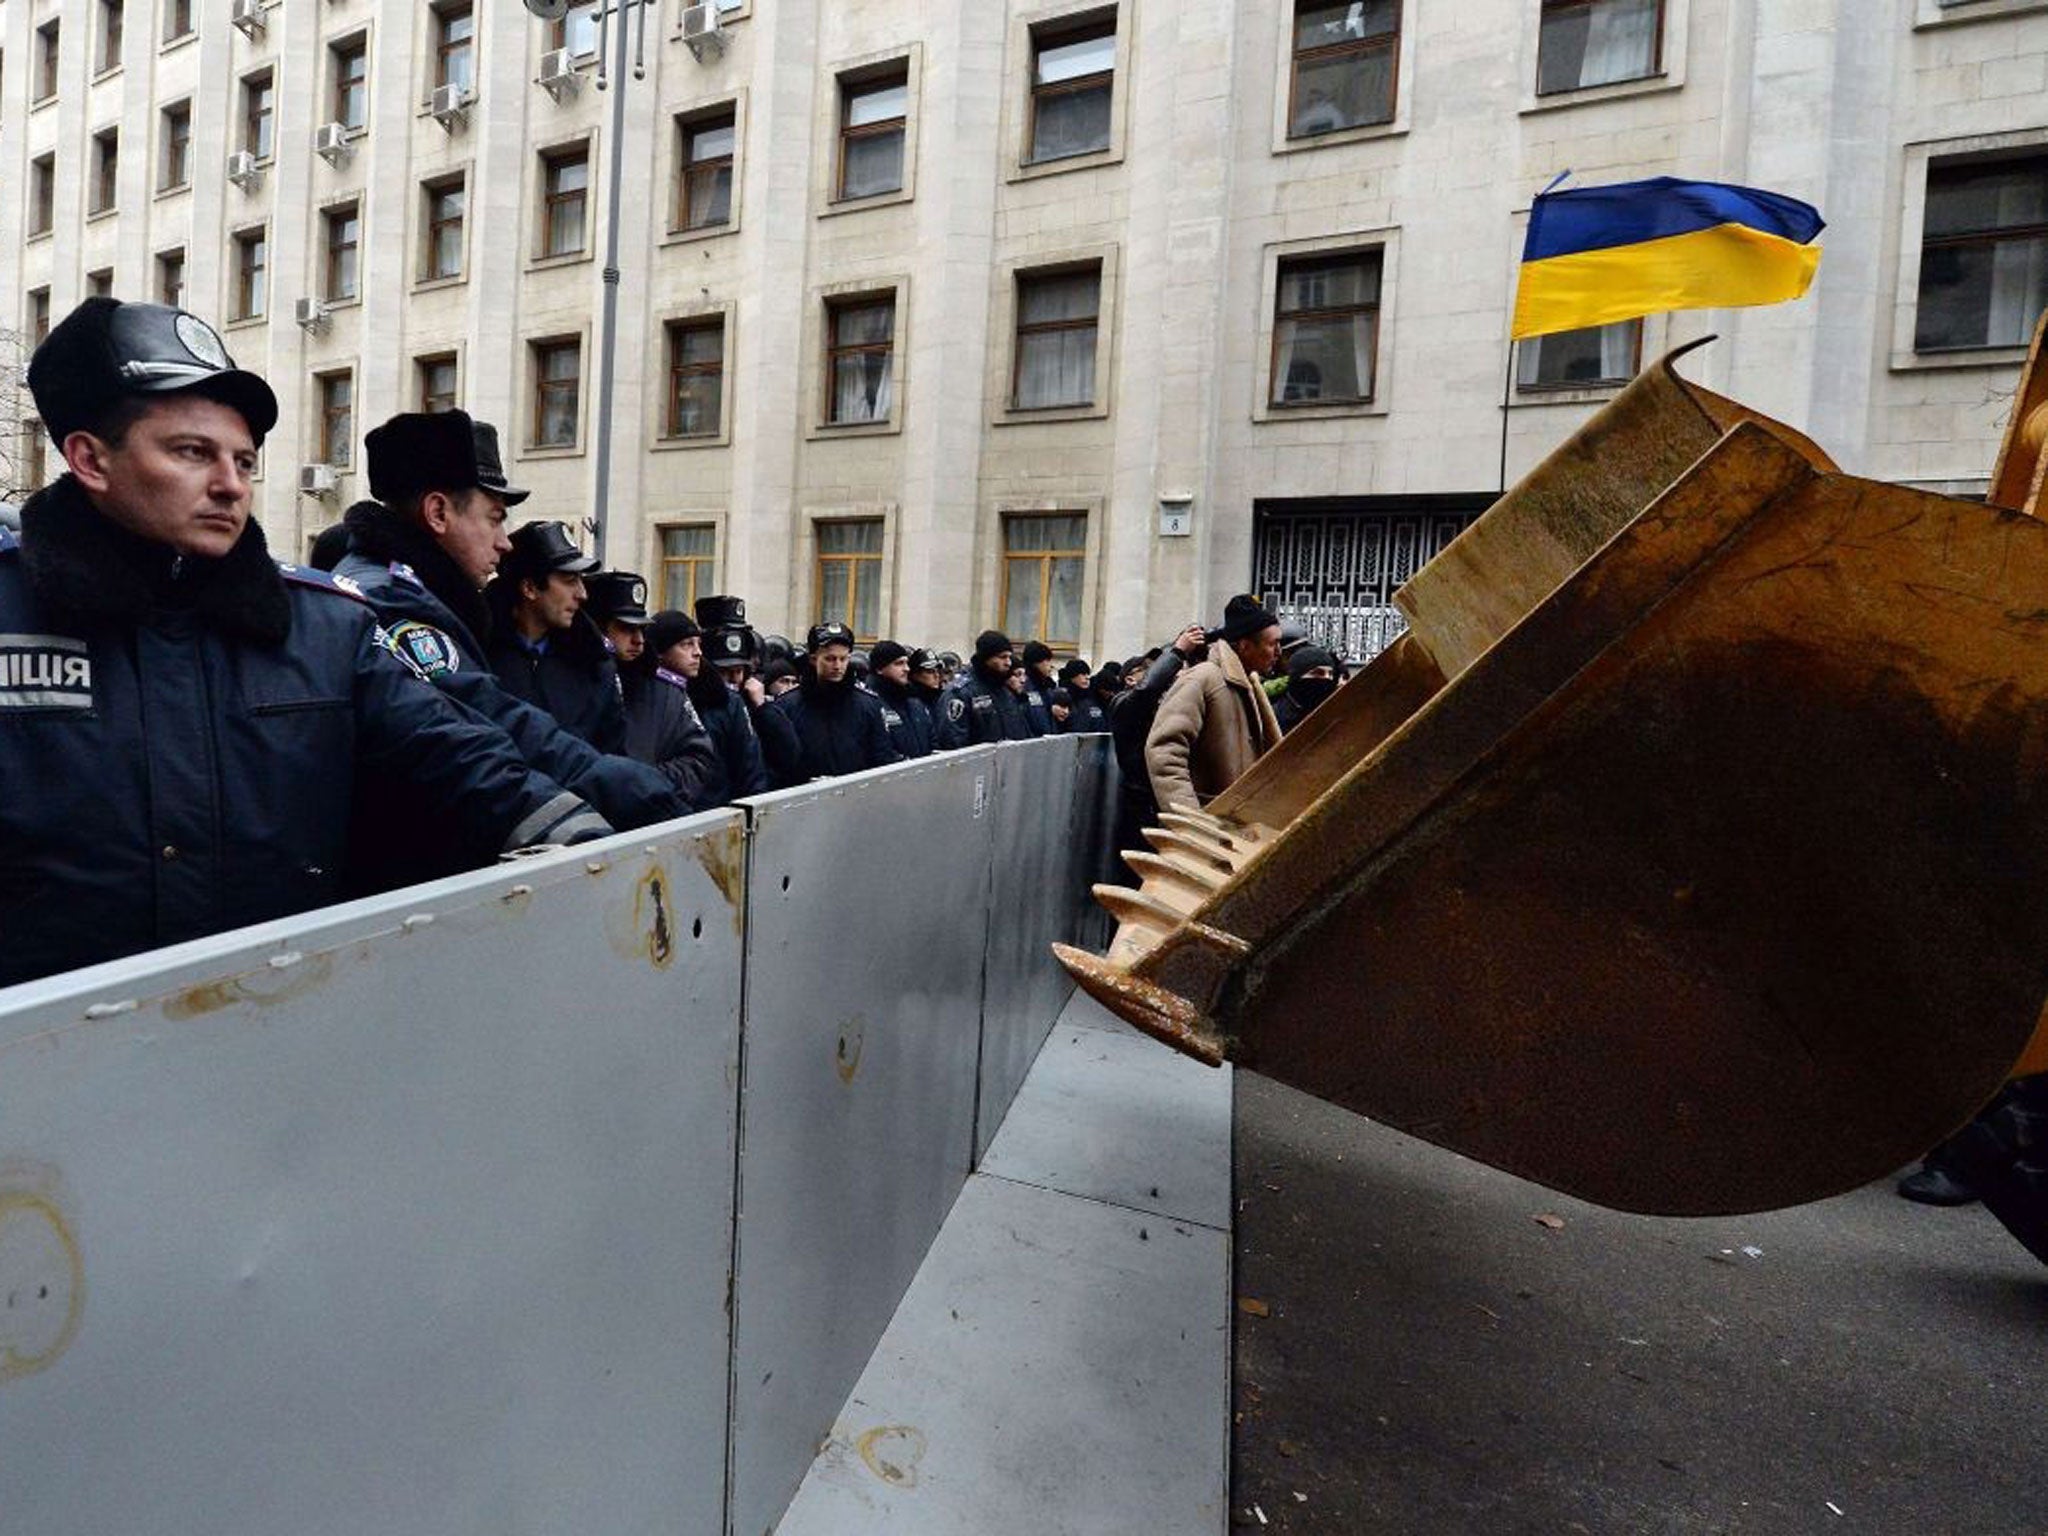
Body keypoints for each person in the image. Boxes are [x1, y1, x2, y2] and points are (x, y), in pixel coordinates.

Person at [0, 298, 611, 987]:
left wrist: (593, 852)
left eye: (245, 460)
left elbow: (461, 760)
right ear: (90, 458)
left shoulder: (322, 627)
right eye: (192, 452)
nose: (231, 485)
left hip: (279, 1037)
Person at [334, 410, 684, 890]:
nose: (503, 543)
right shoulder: (393, 603)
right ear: (438, 513)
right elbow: (485, 721)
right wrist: (615, 787)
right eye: (495, 519)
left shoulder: (404, 590)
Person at [484, 520, 625, 752]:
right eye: (570, 581)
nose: (582, 594)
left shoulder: (593, 663)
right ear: (529, 588)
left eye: (581, 580)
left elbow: (613, 752)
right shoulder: (475, 652)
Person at [588, 571, 718, 811]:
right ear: (599, 628)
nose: (638, 640)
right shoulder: (573, 684)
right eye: (626, 629)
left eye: (641, 630)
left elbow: (699, 758)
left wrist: (647, 784)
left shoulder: (665, 691)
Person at [1145, 596, 1284, 813]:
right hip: (1209, 827)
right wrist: (1189, 819)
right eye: (1272, 644)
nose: (1279, 652)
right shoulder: (1203, 679)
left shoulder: (1249, 684)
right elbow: (1165, 751)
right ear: (1246, 646)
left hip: (1239, 827)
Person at [1109, 624, 1208, 871]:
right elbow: (1147, 691)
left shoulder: (1167, 706)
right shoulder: (1123, 704)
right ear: (1130, 679)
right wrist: (1177, 653)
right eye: (1148, 669)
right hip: (1142, 811)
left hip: (1160, 807)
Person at [648, 607, 768, 806]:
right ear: (661, 652)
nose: (697, 652)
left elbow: (750, 769)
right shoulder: (643, 699)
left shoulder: (725, 701)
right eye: (686, 645)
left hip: (718, 819)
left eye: (698, 644)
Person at [767, 622, 903, 784]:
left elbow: (881, 757)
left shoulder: (868, 705)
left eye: (843, 659)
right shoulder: (787, 705)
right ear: (813, 659)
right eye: (830, 659)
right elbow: (777, 760)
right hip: (802, 797)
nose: (837, 666)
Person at [936, 629, 1034, 748]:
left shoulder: (1006, 692)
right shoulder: (961, 693)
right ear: (986, 658)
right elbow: (952, 741)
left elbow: (1019, 732)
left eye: (1009, 657)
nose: (1008, 663)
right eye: (1002, 657)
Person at [869, 639, 936, 759]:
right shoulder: (871, 704)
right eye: (899, 663)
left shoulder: (915, 703)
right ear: (879, 668)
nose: (907, 669)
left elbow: (933, 741)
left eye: (906, 663)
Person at [1273, 645, 1339, 735]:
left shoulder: (1333, 715)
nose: (1327, 678)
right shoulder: (1275, 717)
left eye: (1330, 674)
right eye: (1319, 673)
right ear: (1298, 676)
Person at [1017, 641, 1058, 736]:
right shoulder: (1024, 686)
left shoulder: (1047, 687)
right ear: (1035, 662)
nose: (1050, 665)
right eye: (1046, 661)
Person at [1059, 658, 1109, 733]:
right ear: (1072, 676)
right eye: (1083, 674)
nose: (1087, 677)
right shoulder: (1062, 698)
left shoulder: (1095, 698)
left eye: (1088, 674)